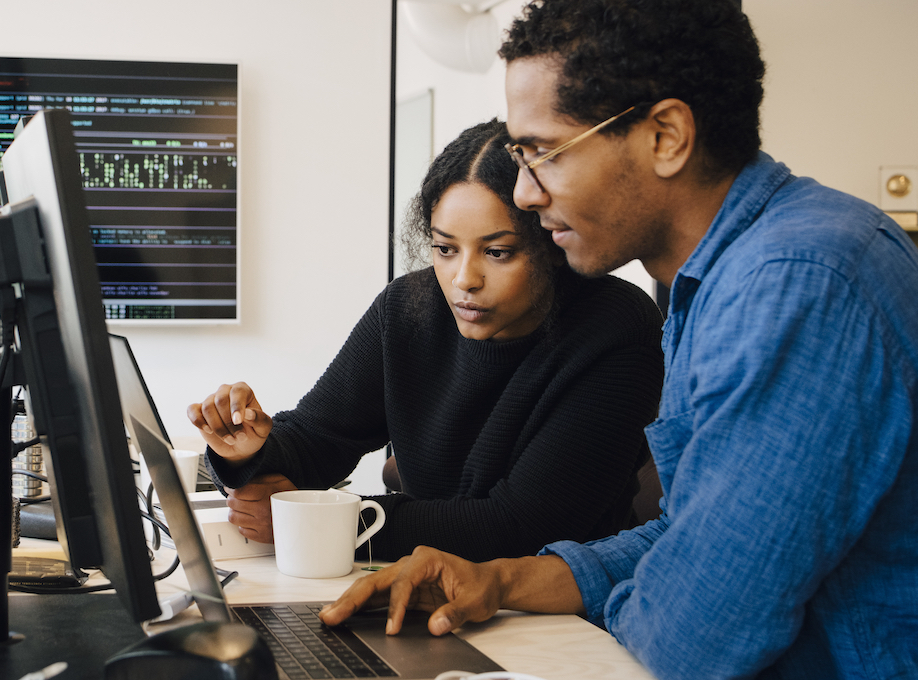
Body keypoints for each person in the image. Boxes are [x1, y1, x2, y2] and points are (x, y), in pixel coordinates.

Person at [319, 1, 918, 678]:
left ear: (665, 136)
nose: (522, 193)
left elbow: (696, 638)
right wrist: (499, 582)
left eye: (541, 152)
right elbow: (687, 539)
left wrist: (642, 598)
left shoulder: (798, 288)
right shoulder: (723, 281)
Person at [187, 119, 664, 563]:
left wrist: (323, 523)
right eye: (445, 248)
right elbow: (320, 436)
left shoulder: (615, 328)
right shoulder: (408, 308)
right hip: (425, 584)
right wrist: (247, 452)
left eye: (497, 252)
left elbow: (522, 526)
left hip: (555, 619)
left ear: (550, 245)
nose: (463, 280)